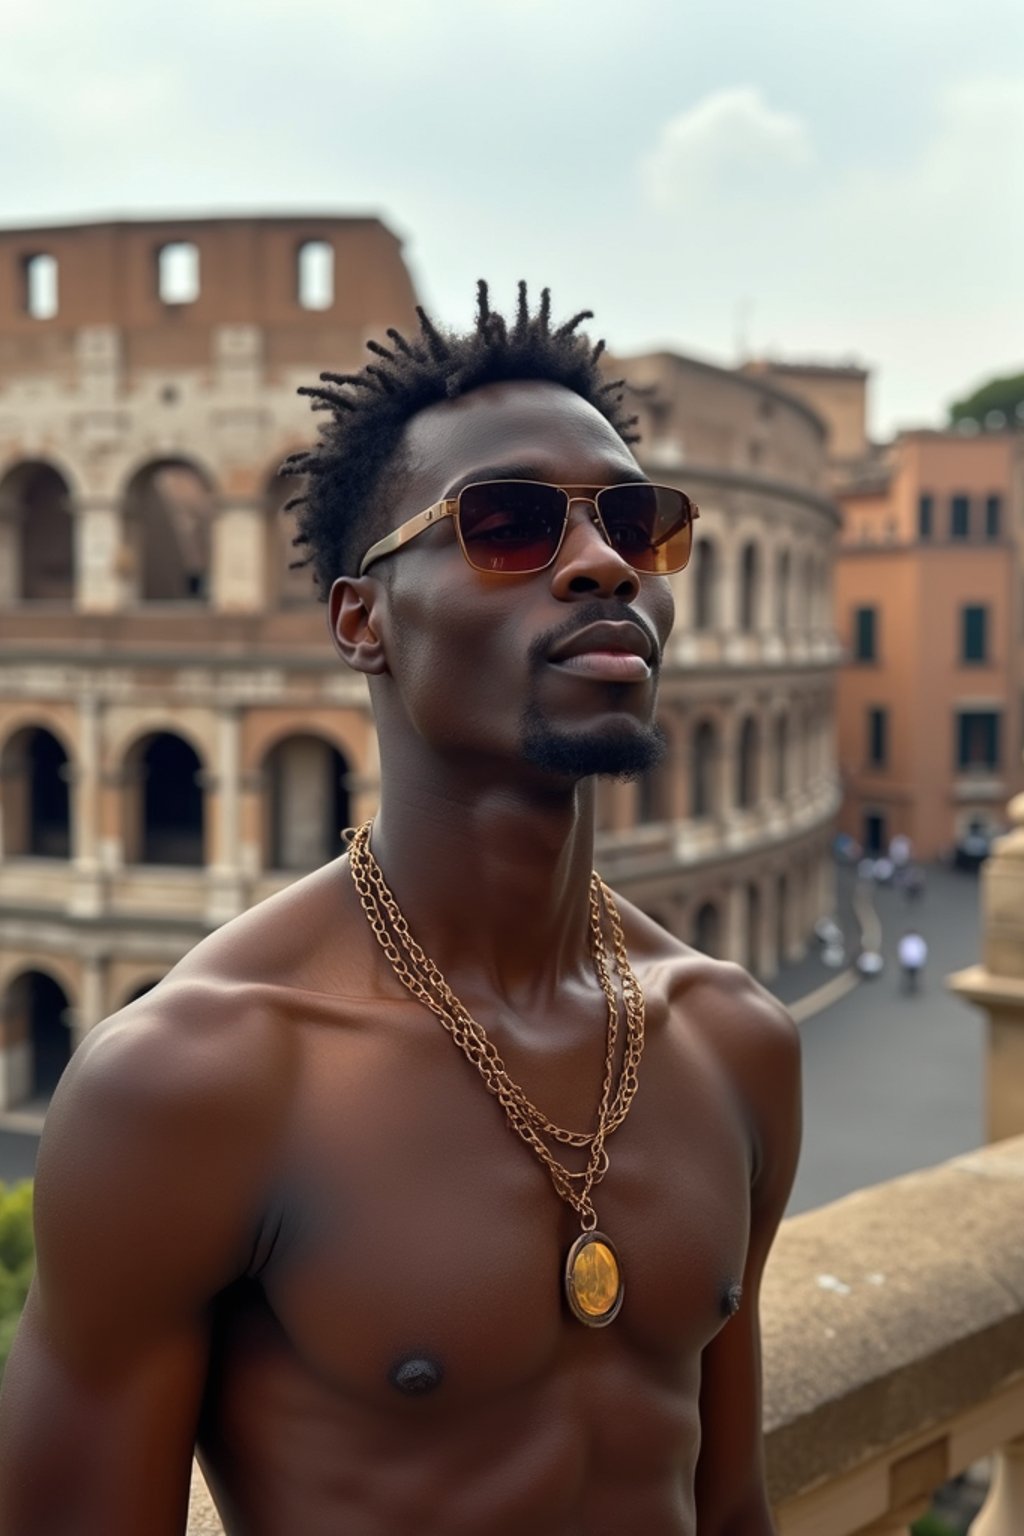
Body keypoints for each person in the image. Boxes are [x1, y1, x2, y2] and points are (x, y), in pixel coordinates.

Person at [0, 283, 801, 1536]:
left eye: (634, 524)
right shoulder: (194, 1083)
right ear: (361, 621)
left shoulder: (734, 1038)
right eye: (508, 524)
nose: (601, 562)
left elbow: (732, 1506)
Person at [898, 928, 928, 993]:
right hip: (911, 962)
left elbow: (902, 951)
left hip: (913, 962)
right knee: (911, 975)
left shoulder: (907, 941)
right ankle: (911, 986)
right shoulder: (915, 940)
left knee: (913, 975)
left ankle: (913, 986)